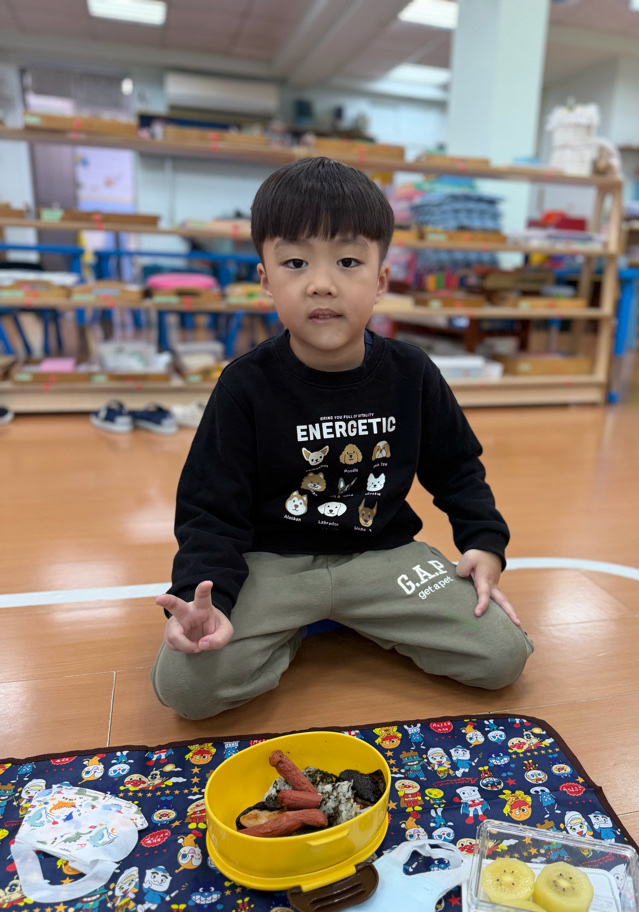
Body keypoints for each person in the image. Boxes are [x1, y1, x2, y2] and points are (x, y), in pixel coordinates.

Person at [151, 157, 533, 720]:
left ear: (381, 280)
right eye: (295, 262)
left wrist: (484, 542)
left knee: (502, 656)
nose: (322, 283)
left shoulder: (411, 371)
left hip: (382, 558)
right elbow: (210, 511)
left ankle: (343, 616)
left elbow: (457, 467)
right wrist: (200, 600)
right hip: (272, 566)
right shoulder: (243, 385)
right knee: (187, 688)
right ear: (266, 280)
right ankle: (301, 623)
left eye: (348, 261)